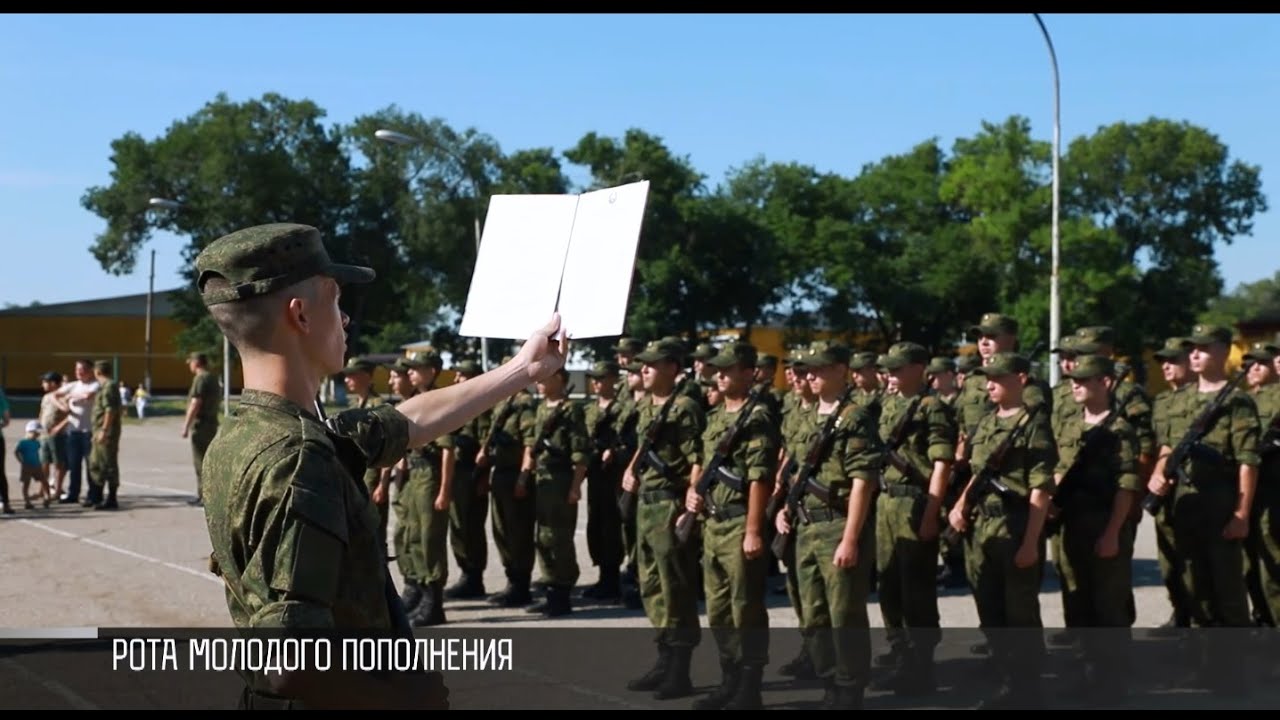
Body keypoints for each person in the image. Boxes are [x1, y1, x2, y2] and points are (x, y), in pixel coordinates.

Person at [194, 222, 567, 710]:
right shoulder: (297, 459)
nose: (345, 319)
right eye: (334, 300)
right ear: (300, 314)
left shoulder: (247, 432)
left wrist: (522, 370)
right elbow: (290, 666)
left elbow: (405, 421)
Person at [182, 353, 222, 506]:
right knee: (208, 460)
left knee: (201, 462)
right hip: (211, 423)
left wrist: (186, 425)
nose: (189, 365)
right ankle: (207, 495)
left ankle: (204, 496)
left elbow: (196, 402)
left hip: (201, 425)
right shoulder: (213, 378)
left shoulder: (200, 378)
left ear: (197, 362)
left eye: (191, 362)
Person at [15, 421, 50, 509]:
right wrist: (21, 460)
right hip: (27, 466)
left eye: (38, 433)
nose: (37, 435)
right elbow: (16, 451)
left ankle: (47, 498)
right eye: (35, 433)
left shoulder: (37, 443)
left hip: (37, 465)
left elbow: (38, 451)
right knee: (26, 484)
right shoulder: (22, 443)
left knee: (44, 481)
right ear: (29, 431)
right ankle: (27, 501)